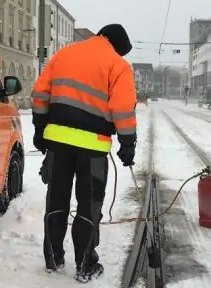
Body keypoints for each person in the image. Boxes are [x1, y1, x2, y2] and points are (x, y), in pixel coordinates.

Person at [31, 23, 138, 283]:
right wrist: (127, 144)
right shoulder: (118, 66)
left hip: (57, 143)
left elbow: (40, 93)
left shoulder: (64, 54)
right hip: (93, 148)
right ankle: (85, 264)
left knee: (56, 200)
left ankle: (53, 258)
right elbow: (123, 108)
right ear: (116, 46)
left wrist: (39, 128)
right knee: (89, 206)